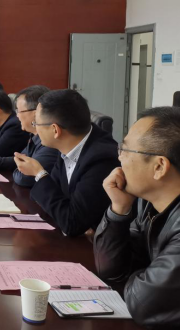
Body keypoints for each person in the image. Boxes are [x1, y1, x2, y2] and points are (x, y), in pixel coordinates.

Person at [94, 107, 180, 329]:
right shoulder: (148, 203)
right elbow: (110, 270)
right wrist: (119, 209)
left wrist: (142, 273)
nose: (119, 157)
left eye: (126, 149)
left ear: (159, 167)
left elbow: (144, 304)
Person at [15, 89, 119, 237]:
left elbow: (72, 224)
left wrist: (40, 174)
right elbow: (51, 200)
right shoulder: (68, 145)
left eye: (36, 123)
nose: (35, 128)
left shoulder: (101, 159)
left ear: (55, 130)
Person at [0, 86, 58, 187]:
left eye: (19, 111)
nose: (17, 115)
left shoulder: (49, 142)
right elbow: (18, 160)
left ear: (36, 113)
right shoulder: (34, 136)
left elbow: (23, 178)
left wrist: (17, 168)